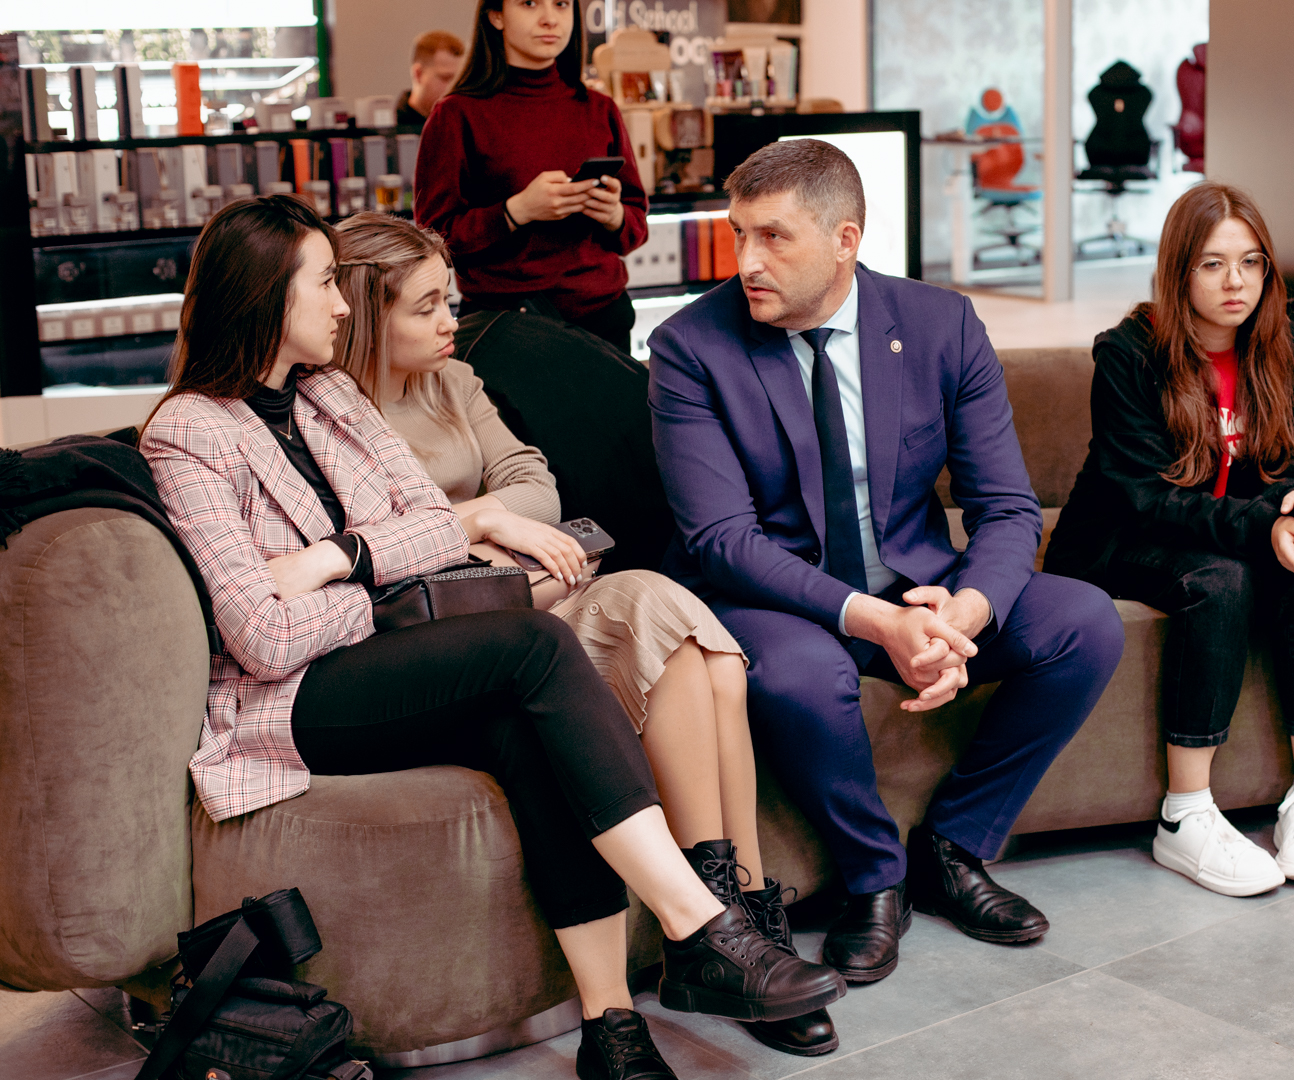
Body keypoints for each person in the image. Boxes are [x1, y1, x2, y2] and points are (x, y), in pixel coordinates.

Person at [139, 195, 844, 1080]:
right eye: (323, 283)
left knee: (527, 733)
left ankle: (612, 1027)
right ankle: (700, 926)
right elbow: (265, 637)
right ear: (266, 296)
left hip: (382, 661)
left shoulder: (330, 396)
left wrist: (342, 558)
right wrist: (390, 594)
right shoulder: (187, 430)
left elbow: (437, 527)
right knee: (533, 644)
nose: (342, 304)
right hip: (294, 700)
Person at [328, 210, 839, 1057]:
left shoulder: (452, 381)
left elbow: (537, 485)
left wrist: (493, 524)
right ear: (366, 317)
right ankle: (730, 926)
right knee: (691, 649)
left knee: (693, 640)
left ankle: (733, 914)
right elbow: (376, 554)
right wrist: (481, 526)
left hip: (528, 597)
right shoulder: (330, 420)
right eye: (426, 307)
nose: (452, 319)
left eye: (448, 298)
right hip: (457, 633)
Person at [648, 139, 1126, 984]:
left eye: (773, 237)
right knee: (802, 676)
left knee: (1085, 622)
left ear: (846, 240)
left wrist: (965, 612)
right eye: (739, 235)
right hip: (775, 599)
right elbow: (722, 539)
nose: (747, 261)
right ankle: (876, 877)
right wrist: (879, 622)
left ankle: (953, 846)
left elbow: (1007, 506)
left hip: (916, 585)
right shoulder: (692, 348)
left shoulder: (940, 325)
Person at [1043, 183, 1294, 897]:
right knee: (1221, 580)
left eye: (1251, 262)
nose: (1235, 281)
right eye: (1212, 264)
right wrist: (1262, 524)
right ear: (1179, 271)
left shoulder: (1291, 348)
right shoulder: (1129, 354)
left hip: (1226, 530)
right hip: (1121, 540)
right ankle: (1183, 814)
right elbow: (1145, 498)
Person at [414, 0, 647, 351]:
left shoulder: (600, 109)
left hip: (603, 320)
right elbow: (434, 239)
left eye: (561, 4)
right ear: (496, 15)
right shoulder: (456, 114)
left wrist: (614, 215)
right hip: (506, 329)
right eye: (529, 3)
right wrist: (516, 211)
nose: (549, 18)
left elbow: (636, 225)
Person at [396, 30, 465, 129]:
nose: (455, 88)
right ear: (418, 74)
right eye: (445, 78)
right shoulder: (387, 130)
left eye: (459, 80)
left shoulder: (463, 125)